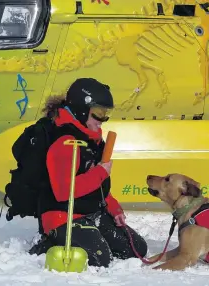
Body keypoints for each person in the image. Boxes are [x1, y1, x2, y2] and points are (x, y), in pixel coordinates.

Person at [29, 78, 148, 268]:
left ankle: (90, 231)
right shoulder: (66, 142)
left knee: (136, 249)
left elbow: (96, 187)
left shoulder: (92, 139)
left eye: (106, 113)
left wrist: (112, 206)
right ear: (82, 110)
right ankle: (47, 242)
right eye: (99, 114)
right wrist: (100, 172)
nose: (103, 119)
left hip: (90, 212)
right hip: (62, 216)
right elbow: (63, 191)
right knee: (101, 258)